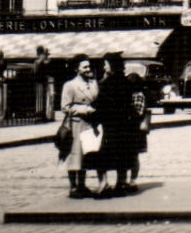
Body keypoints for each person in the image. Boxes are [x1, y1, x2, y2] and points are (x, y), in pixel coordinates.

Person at [92, 52, 138, 197]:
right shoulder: (126, 82)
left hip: (110, 126)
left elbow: (100, 105)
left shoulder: (107, 84)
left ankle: (104, 184)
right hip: (124, 125)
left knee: (103, 155)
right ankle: (120, 184)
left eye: (105, 64)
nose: (104, 67)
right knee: (122, 155)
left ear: (111, 66)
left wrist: (94, 121)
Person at [59, 57, 99, 199]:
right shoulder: (70, 85)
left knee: (86, 156)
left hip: (89, 124)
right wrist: (84, 109)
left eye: (89, 66)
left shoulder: (93, 84)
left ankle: (82, 185)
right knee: (74, 155)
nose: (88, 69)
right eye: (84, 67)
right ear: (77, 69)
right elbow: (65, 107)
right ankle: (73, 187)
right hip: (76, 124)